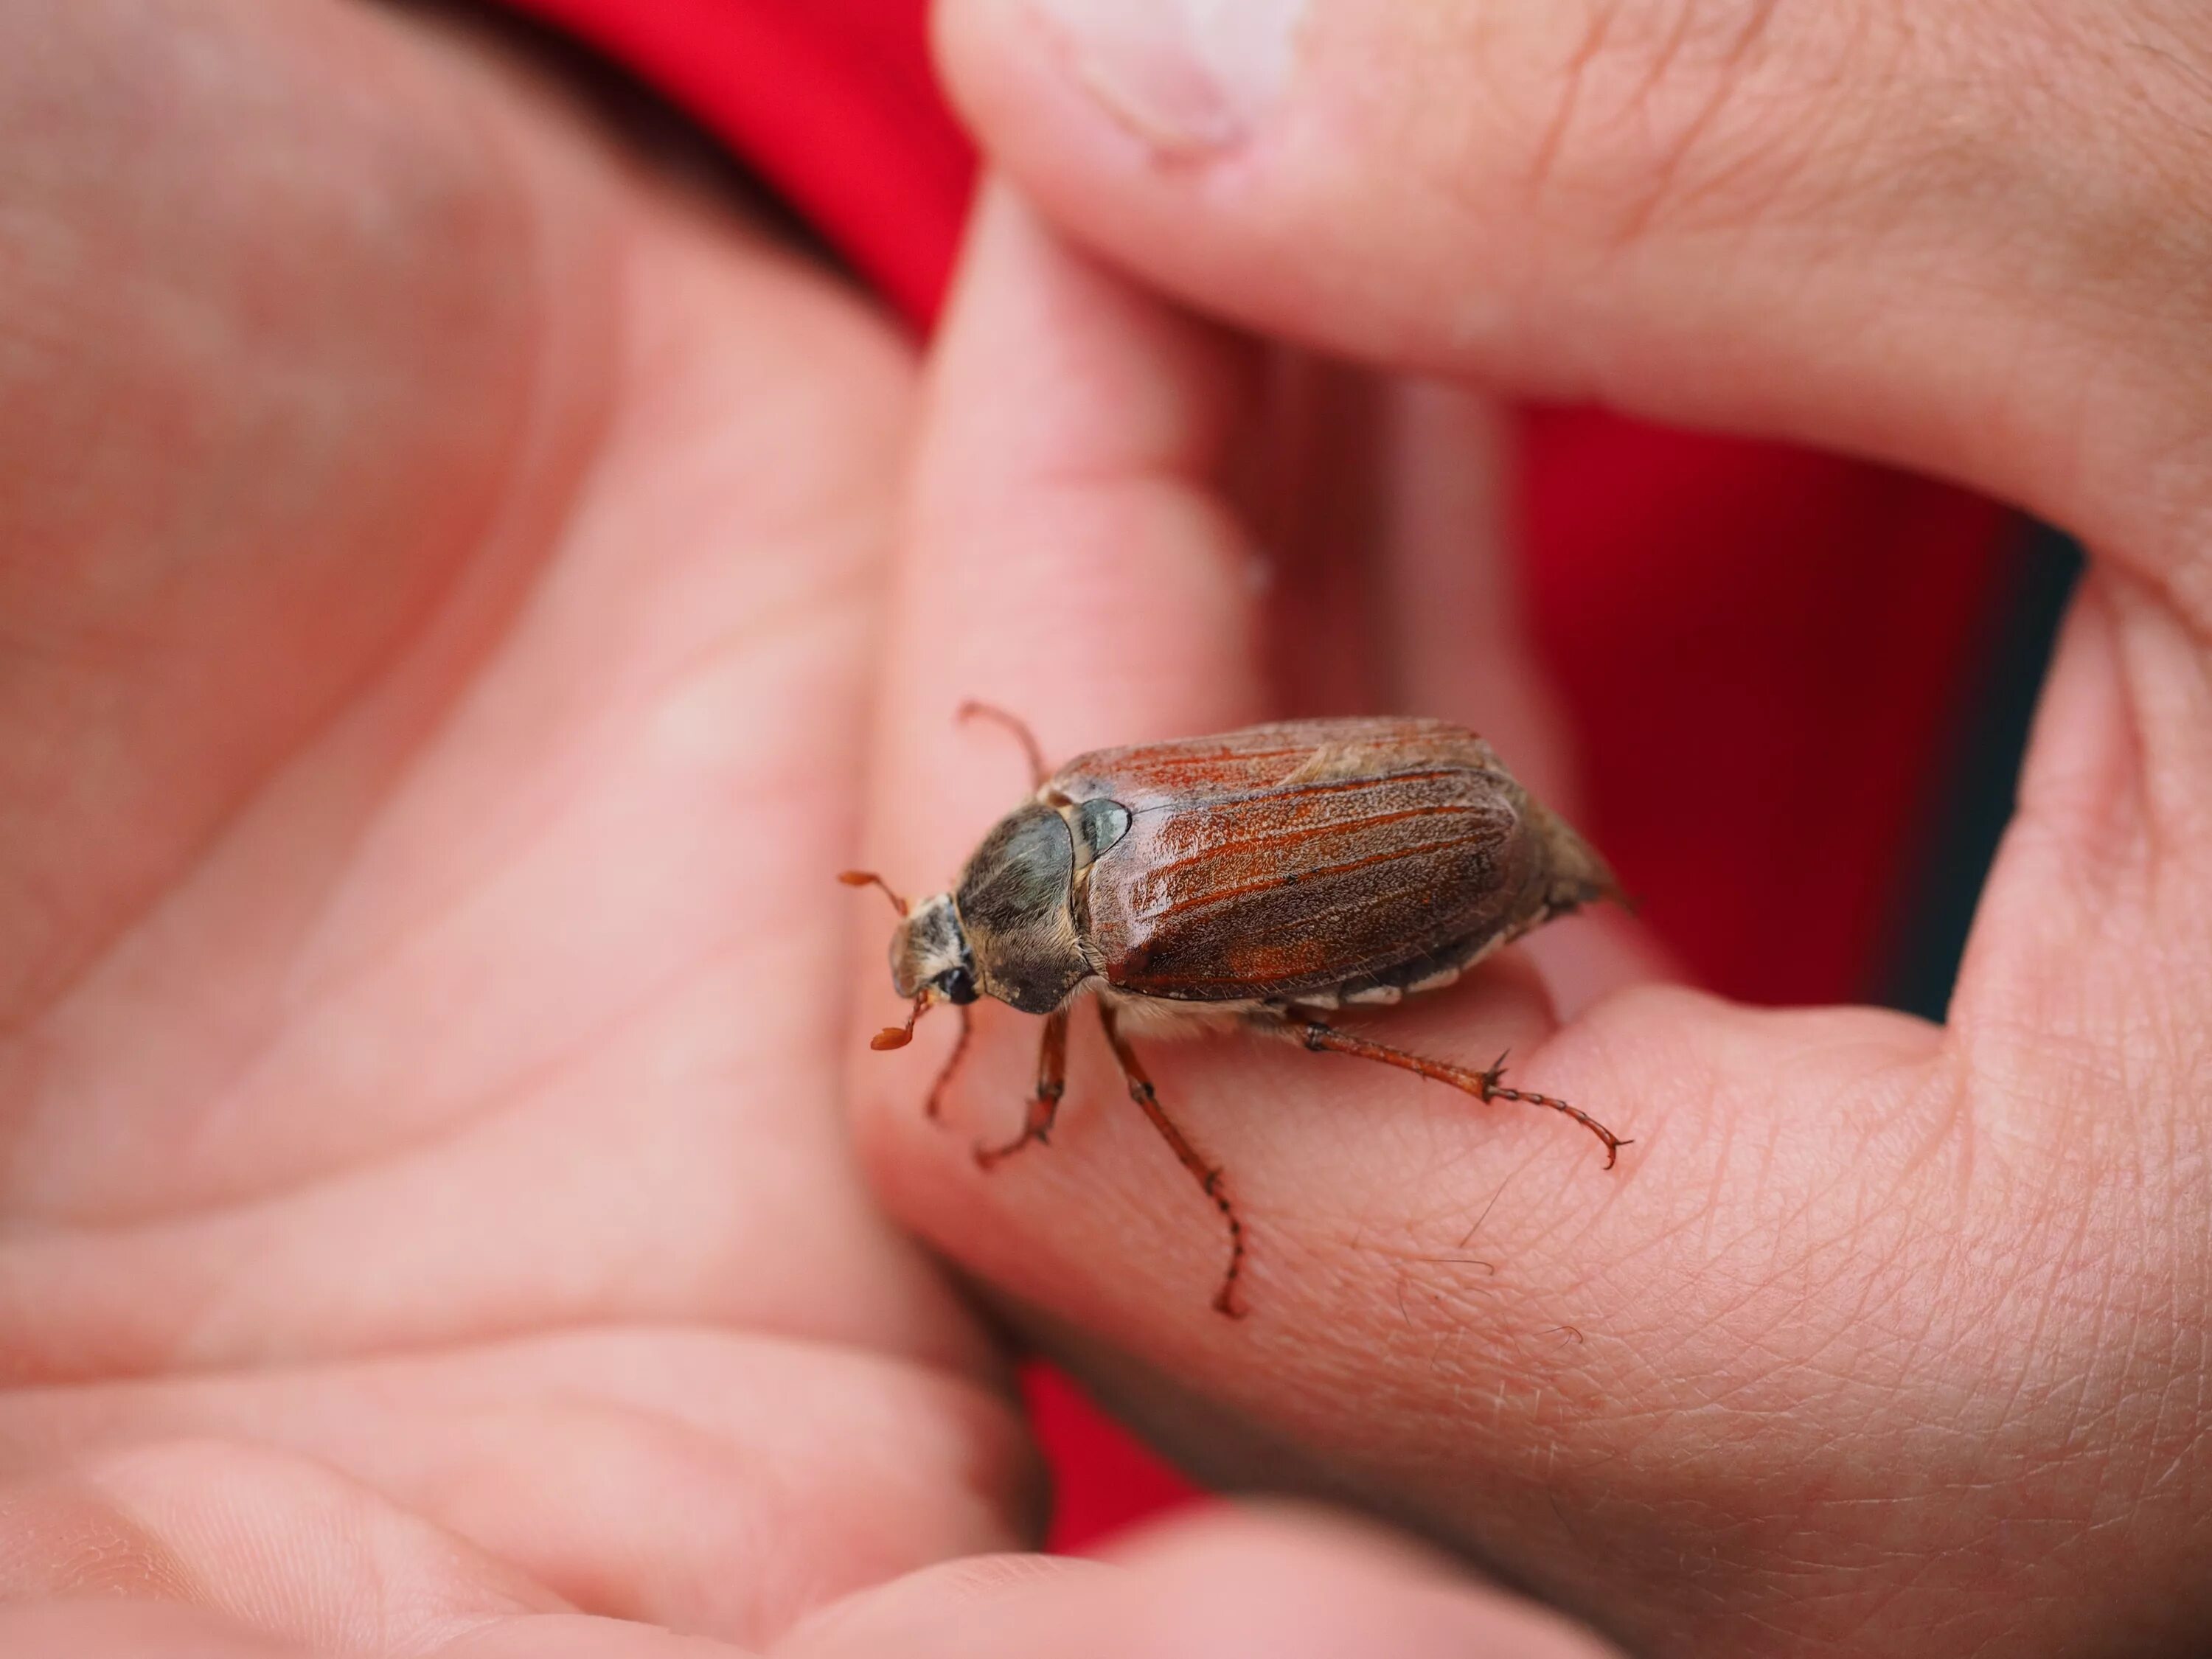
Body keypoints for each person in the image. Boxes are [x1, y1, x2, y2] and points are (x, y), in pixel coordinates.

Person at [1, 2, 2203, 1656]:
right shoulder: (1071, 834)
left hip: (1472, 837)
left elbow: (1162, 1083)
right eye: (963, 964)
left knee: (1329, 1037)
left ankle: (1482, 1071)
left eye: (965, 962)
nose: (965, 973)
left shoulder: (1115, 940)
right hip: (1524, 767)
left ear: (1027, 935)